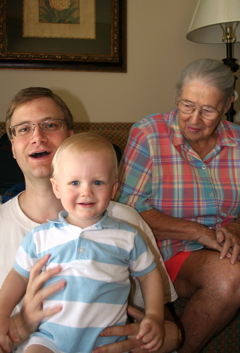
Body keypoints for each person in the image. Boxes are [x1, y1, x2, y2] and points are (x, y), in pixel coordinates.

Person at [0, 87, 180, 353]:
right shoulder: (22, 233)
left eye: (50, 124)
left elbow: (169, 328)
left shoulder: (126, 224)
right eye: (23, 129)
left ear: (71, 137)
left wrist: (154, 336)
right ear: (12, 146)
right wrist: (19, 325)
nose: (38, 136)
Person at [116, 58, 240, 353]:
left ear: (227, 105)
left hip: (226, 245)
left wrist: (234, 227)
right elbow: (126, 209)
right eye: (186, 105)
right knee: (229, 277)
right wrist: (198, 232)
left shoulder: (237, 142)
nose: (194, 119)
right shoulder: (148, 135)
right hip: (166, 250)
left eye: (208, 109)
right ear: (177, 98)